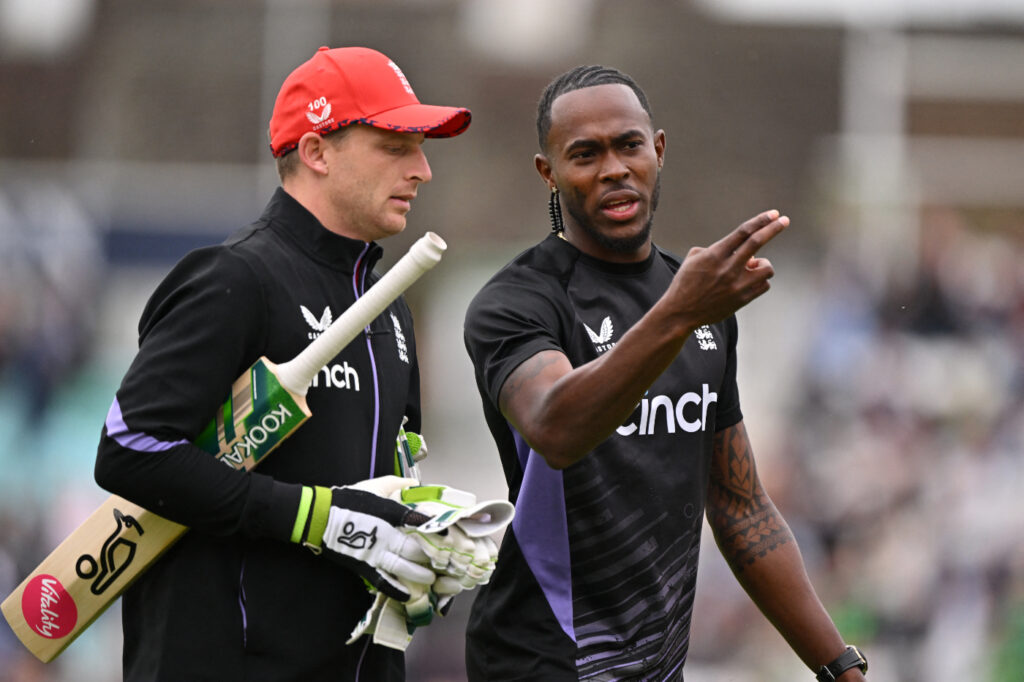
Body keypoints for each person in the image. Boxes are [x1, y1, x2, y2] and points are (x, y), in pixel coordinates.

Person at [462, 65, 868, 681]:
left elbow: (740, 507)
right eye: (584, 154)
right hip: (545, 660)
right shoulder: (518, 302)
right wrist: (679, 313)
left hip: (656, 666)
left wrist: (840, 666)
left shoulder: (702, 303)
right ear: (548, 173)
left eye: (628, 145)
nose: (614, 169)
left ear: (658, 149)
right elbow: (556, 426)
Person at [94, 46, 472, 680]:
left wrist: (426, 539)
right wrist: (316, 518)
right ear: (318, 151)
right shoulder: (235, 277)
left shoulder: (390, 304)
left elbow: (379, 478)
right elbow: (129, 448)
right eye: (395, 145)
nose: (424, 170)